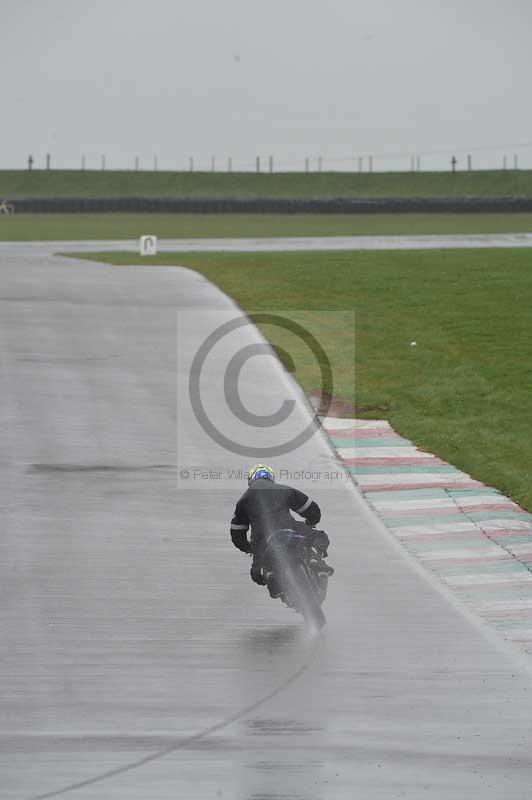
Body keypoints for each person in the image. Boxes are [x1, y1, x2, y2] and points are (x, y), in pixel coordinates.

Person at [230, 463, 331, 597]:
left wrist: (247, 548)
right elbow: (310, 508)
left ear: (251, 480)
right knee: (319, 537)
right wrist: (311, 522)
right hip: (290, 527)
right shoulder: (284, 489)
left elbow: (237, 532)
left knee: (257, 572)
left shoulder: (244, 500)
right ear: (271, 478)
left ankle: (271, 576)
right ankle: (314, 556)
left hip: (262, 538)